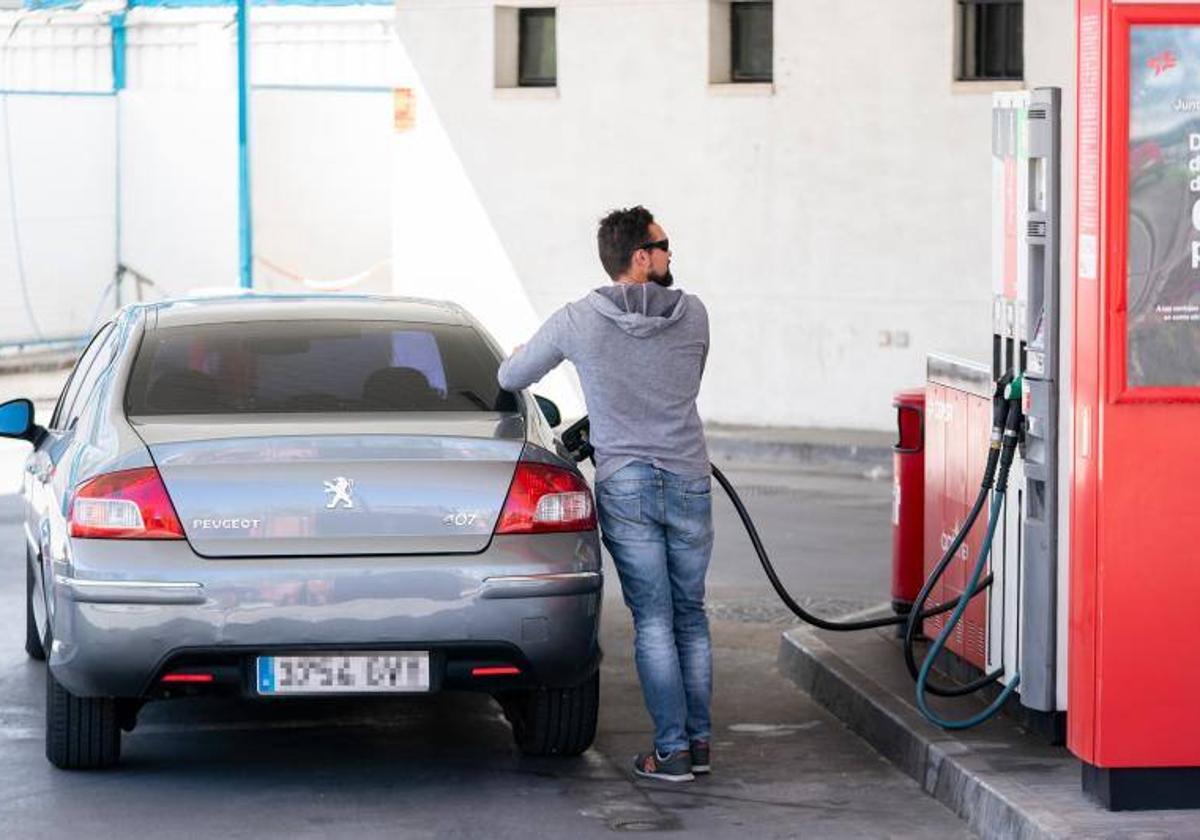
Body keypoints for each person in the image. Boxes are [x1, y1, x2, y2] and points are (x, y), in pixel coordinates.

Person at [497, 205, 713, 783]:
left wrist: (519, 355)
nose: (672, 254)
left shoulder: (577, 321)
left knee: (655, 622)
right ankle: (698, 744)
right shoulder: (694, 315)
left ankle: (671, 753)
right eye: (664, 245)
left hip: (628, 483)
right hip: (690, 478)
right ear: (640, 258)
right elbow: (685, 382)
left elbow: (510, 379)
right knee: (690, 617)